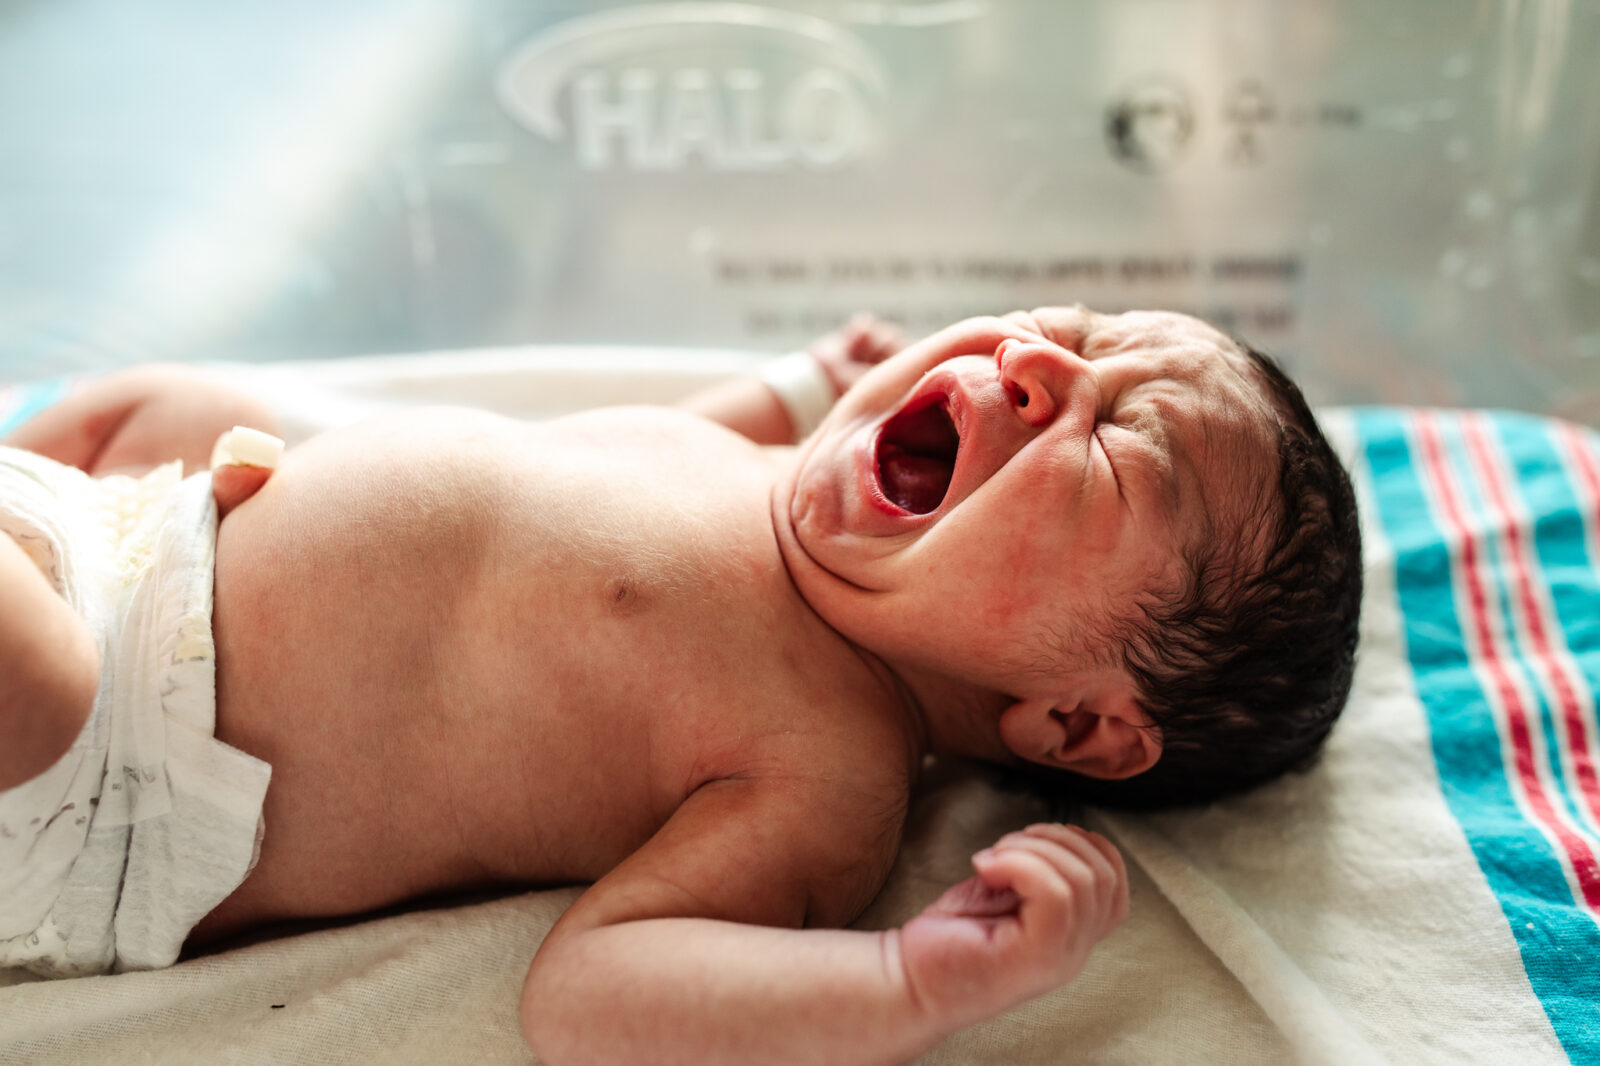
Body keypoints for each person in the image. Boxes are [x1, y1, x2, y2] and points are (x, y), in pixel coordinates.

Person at [0, 306, 1361, 1065]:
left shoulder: (825, 764)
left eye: (1120, 444)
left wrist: (905, 978)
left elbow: (593, 993)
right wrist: (798, 379)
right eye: (1076, 325)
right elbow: (588, 478)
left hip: (110, 747)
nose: (1035, 360)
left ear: (1074, 718)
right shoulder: (757, 483)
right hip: (125, 536)